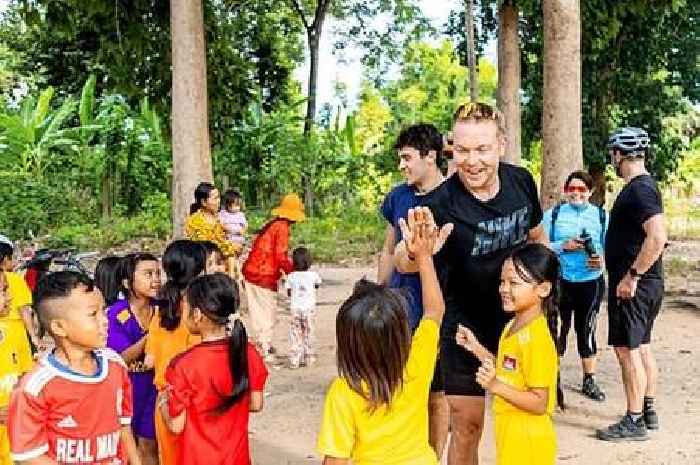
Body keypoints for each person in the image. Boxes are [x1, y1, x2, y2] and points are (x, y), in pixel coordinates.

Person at [395, 102, 547, 465]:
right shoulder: (440, 203)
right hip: (464, 325)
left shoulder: (521, 181)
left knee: (524, 417)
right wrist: (419, 250)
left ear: (501, 145)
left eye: (482, 149)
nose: (472, 160)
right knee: (467, 426)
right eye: (462, 150)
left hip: (517, 322)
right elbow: (404, 258)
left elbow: (538, 237)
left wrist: (545, 297)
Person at [317, 207, 445, 465]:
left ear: (348, 345)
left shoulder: (345, 391)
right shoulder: (416, 365)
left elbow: (336, 460)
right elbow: (434, 310)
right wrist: (423, 257)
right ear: (400, 334)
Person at [8, 271, 141, 465]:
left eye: (103, 310)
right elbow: (29, 456)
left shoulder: (115, 366)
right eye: (93, 314)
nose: (105, 320)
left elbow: (123, 426)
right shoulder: (35, 388)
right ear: (59, 327)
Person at [376, 123, 450, 457]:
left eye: (407, 158)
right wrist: (378, 292)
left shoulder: (454, 198)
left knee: (436, 392)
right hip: (399, 309)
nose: (402, 165)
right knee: (397, 386)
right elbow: (388, 247)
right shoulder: (398, 196)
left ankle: (434, 455)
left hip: (436, 310)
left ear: (430, 156)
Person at [456, 243, 559, 465]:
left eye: (513, 283)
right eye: (502, 282)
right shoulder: (513, 325)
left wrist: (495, 386)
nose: (503, 289)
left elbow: (540, 402)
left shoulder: (537, 339)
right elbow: (507, 369)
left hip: (529, 443)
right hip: (510, 437)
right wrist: (475, 347)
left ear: (543, 289)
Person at [597, 127, 667, 441]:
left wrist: (632, 276)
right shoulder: (644, 187)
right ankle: (647, 410)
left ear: (618, 154)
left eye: (613, 153)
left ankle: (634, 420)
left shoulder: (640, 189)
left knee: (628, 351)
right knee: (643, 347)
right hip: (644, 284)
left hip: (635, 286)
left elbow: (658, 236)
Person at [159, 273, 268, 465]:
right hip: (237, 458)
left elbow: (176, 425)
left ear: (198, 314)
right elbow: (256, 404)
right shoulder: (248, 352)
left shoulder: (183, 365)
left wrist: (163, 404)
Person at [542, 171, 608, 401]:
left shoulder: (600, 216)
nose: (576, 193)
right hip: (560, 280)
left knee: (586, 329)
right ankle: (551, 377)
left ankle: (589, 380)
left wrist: (599, 259)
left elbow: (609, 249)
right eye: (572, 189)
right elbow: (540, 245)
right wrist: (563, 245)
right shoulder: (554, 214)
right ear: (565, 190)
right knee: (555, 329)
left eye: (582, 190)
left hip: (590, 281)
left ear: (590, 192)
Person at [144, 241, 205, 465]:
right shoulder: (198, 312)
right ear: (199, 269)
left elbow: (150, 360)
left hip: (164, 401)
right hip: (191, 401)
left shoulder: (161, 311)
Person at [106, 253, 161, 465]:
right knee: (126, 447)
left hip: (156, 387)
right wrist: (152, 336)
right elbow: (120, 358)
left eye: (157, 273)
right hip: (128, 390)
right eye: (148, 274)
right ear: (128, 282)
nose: (156, 279)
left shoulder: (164, 308)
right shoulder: (117, 314)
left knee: (149, 444)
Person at [242, 193, 305, 362]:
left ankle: (263, 344)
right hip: (264, 275)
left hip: (250, 272)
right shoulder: (282, 228)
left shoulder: (273, 225)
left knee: (257, 311)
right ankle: (265, 347)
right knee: (268, 312)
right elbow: (280, 256)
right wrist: (294, 272)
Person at [0, 271, 33, 465]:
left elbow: (23, 374)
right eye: (3, 291)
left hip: (10, 429)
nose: (10, 296)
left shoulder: (12, 330)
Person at [0, 240, 37, 364]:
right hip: (13, 331)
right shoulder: (15, 280)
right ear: (5, 259)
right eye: (12, 258)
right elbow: (24, 311)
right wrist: (33, 336)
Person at [285, 247, 322, 369]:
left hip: (295, 308)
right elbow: (317, 285)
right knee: (309, 332)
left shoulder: (291, 276)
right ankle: (309, 357)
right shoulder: (313, 275)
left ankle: (295, 359)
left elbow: (289, 291)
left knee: (295, 333)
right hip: (309, 308)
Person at [185, 182, 240, 259]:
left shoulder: (217, 218)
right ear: (203, 202)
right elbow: (206, 246)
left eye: (219, 198)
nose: (218, 201)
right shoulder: (195, 221)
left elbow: (222, 239)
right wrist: (229, 248)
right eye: (215, 198)